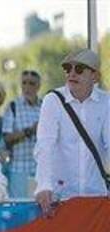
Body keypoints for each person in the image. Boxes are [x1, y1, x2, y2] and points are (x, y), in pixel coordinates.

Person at [34, 49, 110, 217]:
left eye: (80, 69)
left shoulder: (107, 102)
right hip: (59, 199)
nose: (72, 74)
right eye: (68, 68)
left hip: (96, 196)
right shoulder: (52, 100)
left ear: (95, 77)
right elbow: (45, 145)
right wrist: (44, 186)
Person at [2, 70, 43, 198]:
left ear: (38, 86)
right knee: (19, 211)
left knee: (39, 211)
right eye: (24, 83)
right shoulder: (13, 107)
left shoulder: (45, 106)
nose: (27, 87)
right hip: (18, 170)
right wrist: (30, 130)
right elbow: (7, 138)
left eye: (31, 83)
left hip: (40, 169)